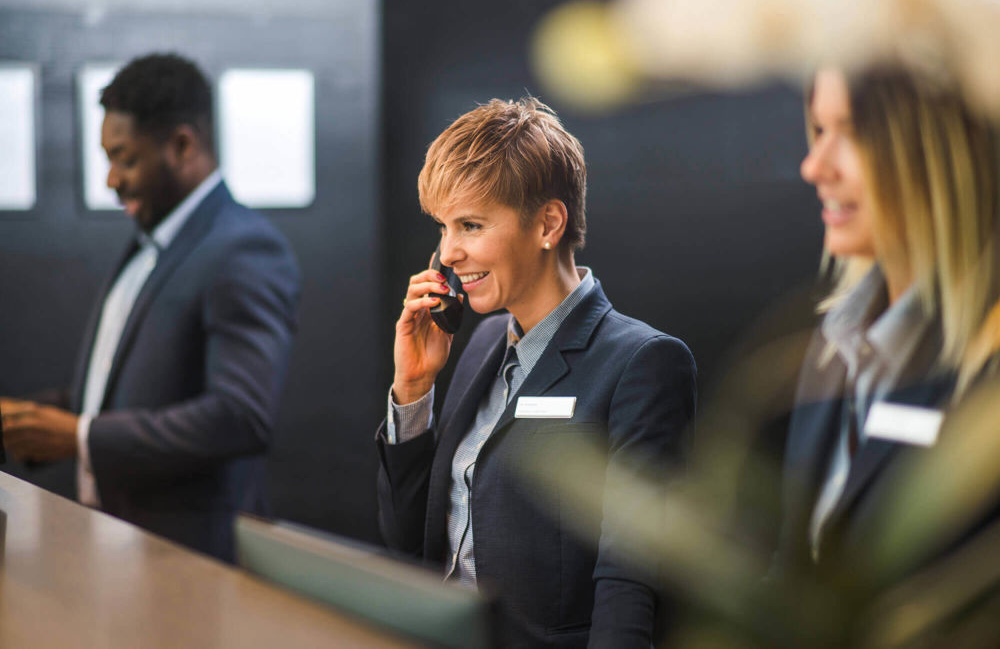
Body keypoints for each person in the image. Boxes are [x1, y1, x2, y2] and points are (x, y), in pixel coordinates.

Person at [376, 97, 697, 648]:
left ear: (548, 223)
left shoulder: (642, 362)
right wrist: (413, 390)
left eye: (470, 225)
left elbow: (629, 581)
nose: (447, 253)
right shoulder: (478, 346)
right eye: (443, 227)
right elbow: (409, 542)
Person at [0, 53, 300, 562]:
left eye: (125, 158)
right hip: (118, 549)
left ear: (182, 145)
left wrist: (78, 435)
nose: (111, 180)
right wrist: (32, 419)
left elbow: (240, 416)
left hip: (190, 562)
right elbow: (129, 390)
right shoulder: (149, 243)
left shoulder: (244, 248)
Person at [773, 64, 1000, 638]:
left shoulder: (989, 369)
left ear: (945, 150)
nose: (815, 166)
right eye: (818, 130)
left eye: (852, 134)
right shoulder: (827, 351)